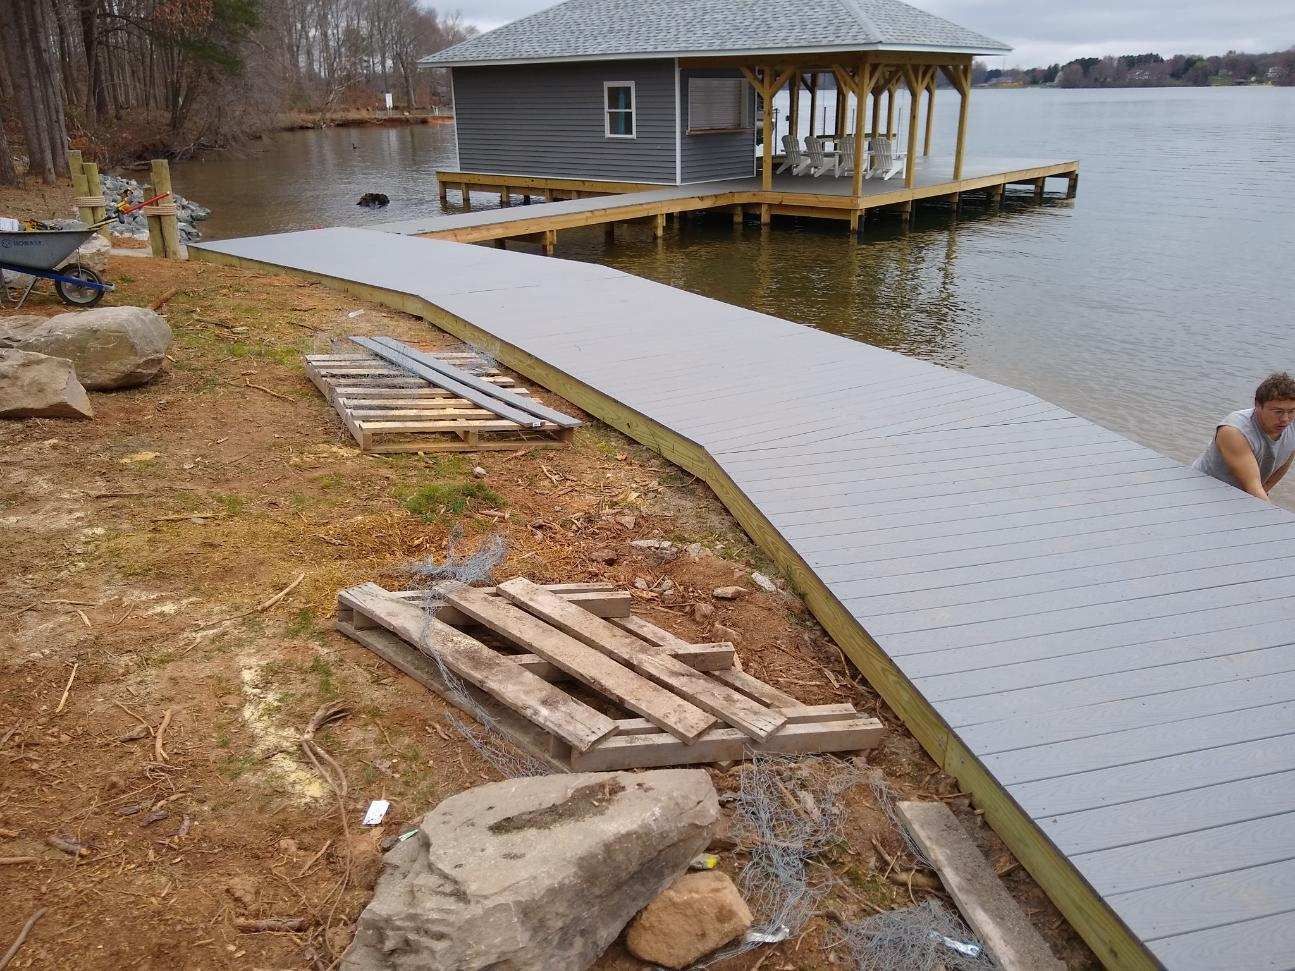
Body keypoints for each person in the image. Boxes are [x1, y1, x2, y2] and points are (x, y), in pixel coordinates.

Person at [1192, 372, 1295, 501]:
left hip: (1244, 493)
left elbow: (1285, 462)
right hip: (1202, 490)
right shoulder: (1234, 431)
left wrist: (1265, 491)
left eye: (1291, 411)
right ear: (1257, 405)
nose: (1285, 419)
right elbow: (1253, 486)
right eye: (1278, 412)